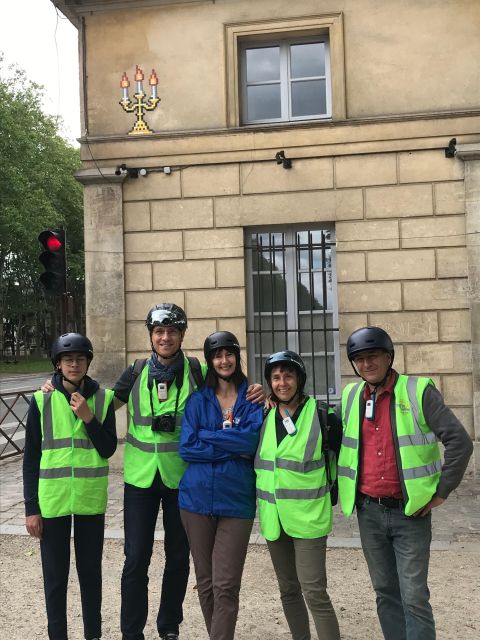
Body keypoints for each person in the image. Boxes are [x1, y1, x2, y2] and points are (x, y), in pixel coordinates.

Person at [111, 304, 265, 640]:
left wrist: (260, 391)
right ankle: (131, 631)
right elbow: (101, 403)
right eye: (158, 332)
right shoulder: (135, 372)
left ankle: (169, 626)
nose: (165, 338)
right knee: (135, 558)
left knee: (178, 557)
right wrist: (58, 388)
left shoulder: (196, 372)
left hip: (182, 479)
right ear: (151, 335)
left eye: (171, 332)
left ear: (182, 335)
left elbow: (228, 392)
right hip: (140, 478)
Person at [337, 326, 473, 640]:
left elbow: (460, 442)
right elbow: (327, 434)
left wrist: (441, 492)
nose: (366, 364)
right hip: (368, 511)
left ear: (388, 357)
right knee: (385, 591)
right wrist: (277, 404)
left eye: (372, 357)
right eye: (359, 359)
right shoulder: (351, 396)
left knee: (413, 595)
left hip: (410, 512)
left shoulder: (418, 391)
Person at [23, 332, 117, 640]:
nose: (73, 364)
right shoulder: (41, 400)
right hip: (53, 502)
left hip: (90, 500)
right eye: (67, 359)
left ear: (88, 362)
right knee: (55, 579)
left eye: (79, 359)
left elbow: (108, 449)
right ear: (58, 364)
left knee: (91, 576)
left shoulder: (102, 399)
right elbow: (31, 459)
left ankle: (93, 635)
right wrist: (31, 508)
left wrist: (89, 418)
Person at [178, 331, 264, 640]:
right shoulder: (197, 401)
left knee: (226, 585)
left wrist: (207, 435)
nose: (223, 360)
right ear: (209, 361)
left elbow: (252, 440)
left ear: (236, 357)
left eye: (228, 354)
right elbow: (186, 448)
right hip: (195, 501)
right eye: (217, 355)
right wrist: (231, 445)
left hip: (236, 501)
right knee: (206, 582)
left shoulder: (253, 398)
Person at [255, 350, 341, 640]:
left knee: (315, 592)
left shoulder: (322, 415)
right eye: (276, 377)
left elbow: (349, 458)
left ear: (299, 379)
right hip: (274, 518)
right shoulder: (264, 415)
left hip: (309, 518)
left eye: (288, 376)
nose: (282, 383)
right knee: (288, 591)